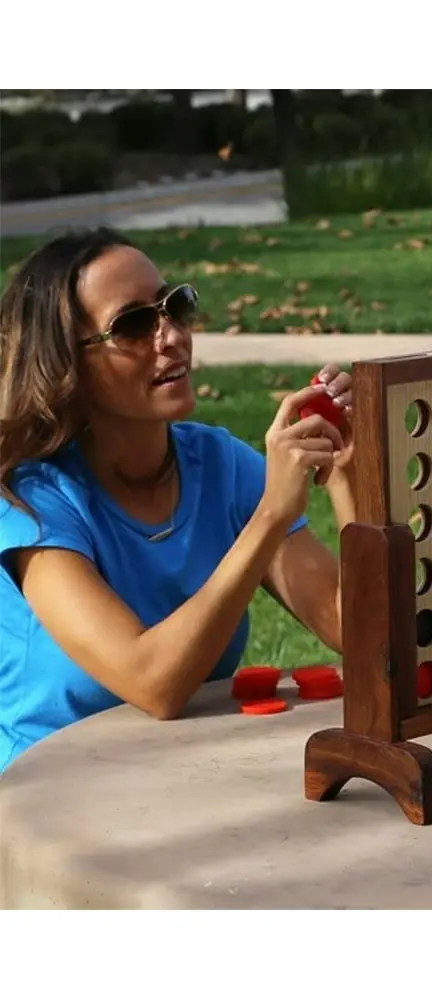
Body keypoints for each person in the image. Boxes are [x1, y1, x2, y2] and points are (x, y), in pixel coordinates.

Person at [0, 227, 355, 774]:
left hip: (182, 781)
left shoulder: (220, 465)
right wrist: (270, 515)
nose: (171, 336)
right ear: (68, 363)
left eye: (175, 305)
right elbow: (153, 681)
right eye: (135, 324)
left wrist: (348, 477)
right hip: (47, 808)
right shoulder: (33, 500)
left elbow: (354, 628)